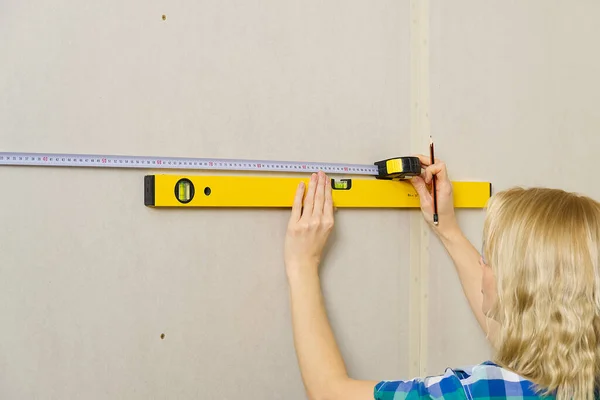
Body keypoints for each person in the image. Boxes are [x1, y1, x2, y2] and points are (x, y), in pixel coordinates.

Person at [283, 155, 600, 400]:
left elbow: (329, 392)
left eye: (488, 260)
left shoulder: (478, 391)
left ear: (519, 287)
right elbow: (511, 327)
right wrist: (446, 228)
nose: (481, 266)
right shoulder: (588, 376)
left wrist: (302, 263)